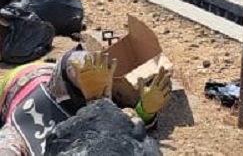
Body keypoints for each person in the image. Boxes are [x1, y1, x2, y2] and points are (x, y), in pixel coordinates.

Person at [0, 47, 171, 156]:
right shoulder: (20, 128)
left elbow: (126, 131)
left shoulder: (94, 89)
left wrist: (145, 111)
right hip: (22, 81)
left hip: (41, 76)